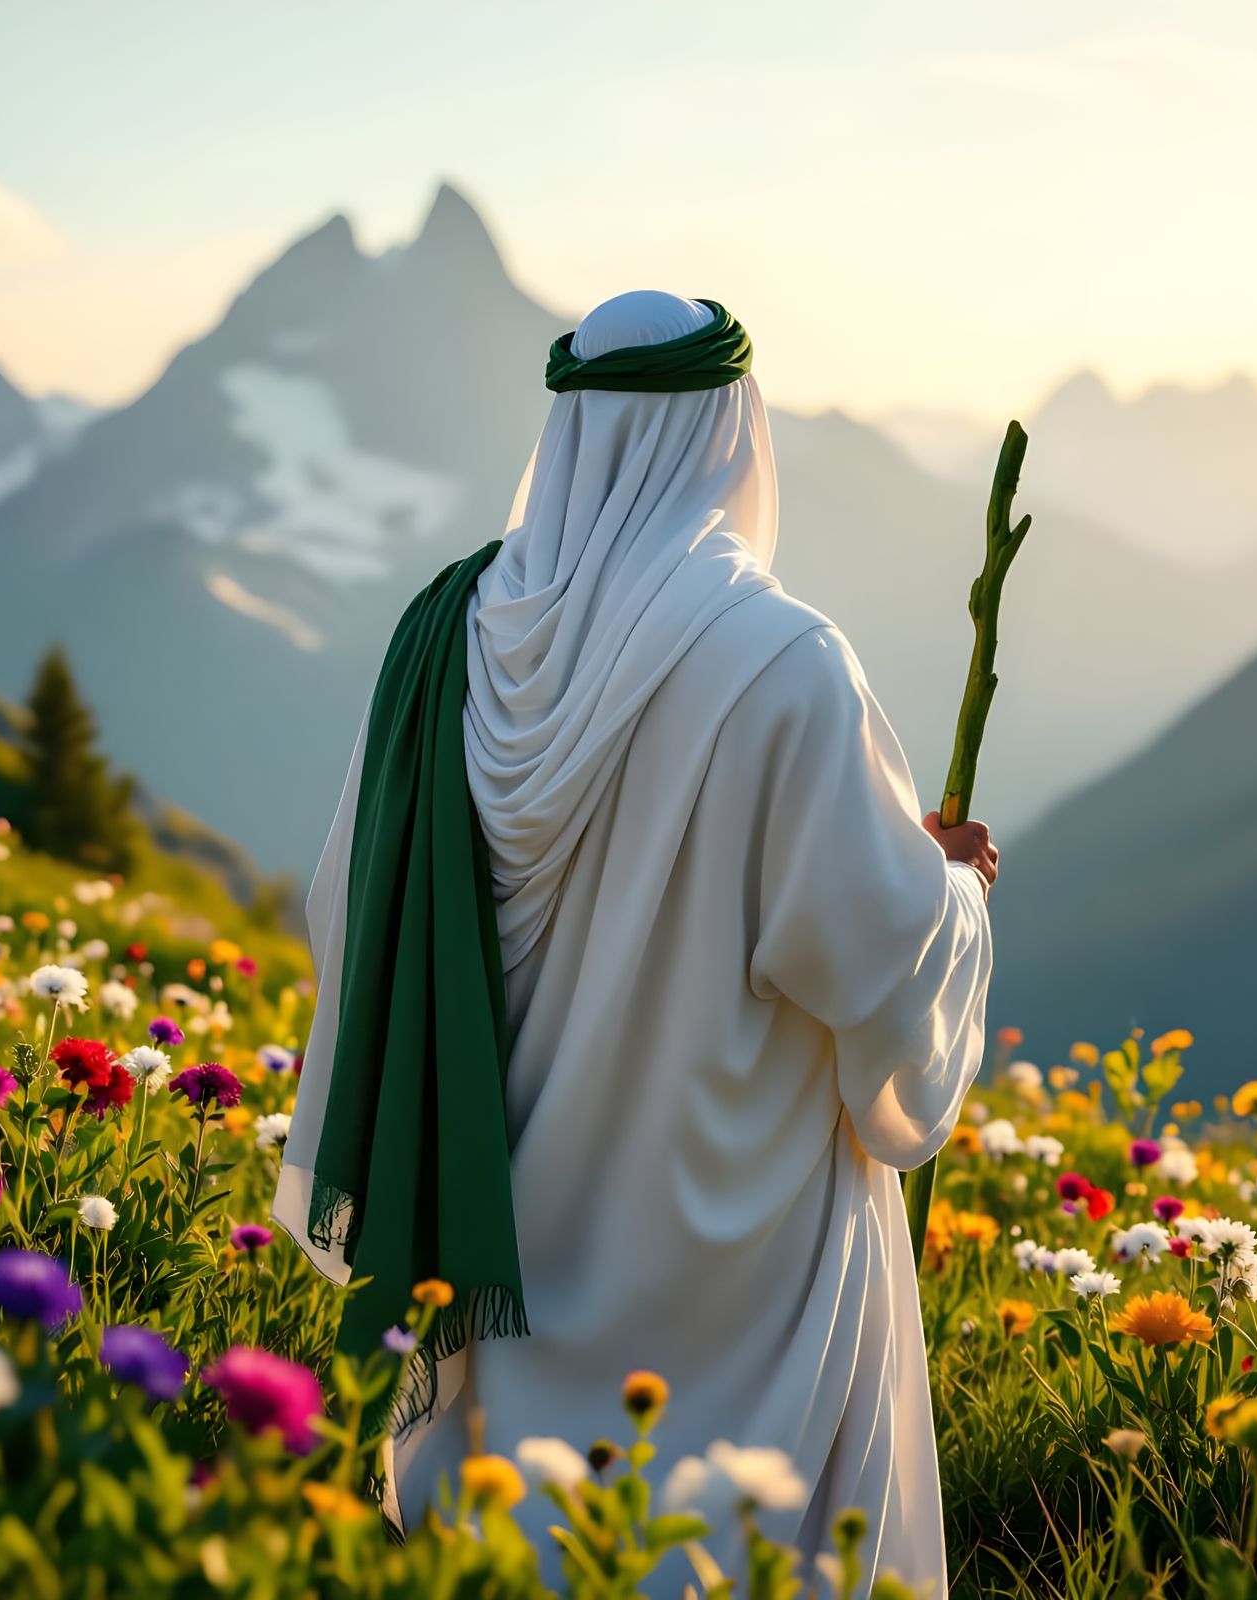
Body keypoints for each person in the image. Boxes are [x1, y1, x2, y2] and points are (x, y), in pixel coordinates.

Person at [273, 291, 995, 1596]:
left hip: (502, 1245)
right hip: (739, 1260)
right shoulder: (783, 664)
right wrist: (954, 892)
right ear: (732, 432)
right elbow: (873, 960)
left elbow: (349, 901)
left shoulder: (445, 640)